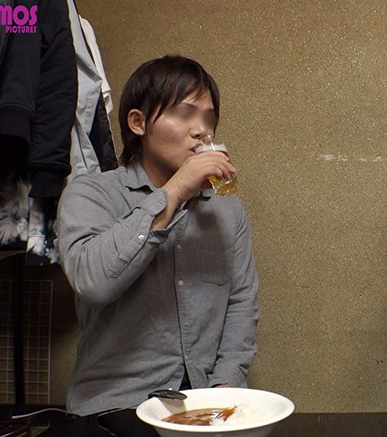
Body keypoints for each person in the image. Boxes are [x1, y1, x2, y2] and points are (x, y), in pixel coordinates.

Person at [58, 55, 259, 416]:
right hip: (116, 406)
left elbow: (241, 300)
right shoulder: (91, 194)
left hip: (204, 404)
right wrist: (175, 190)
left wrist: (225, 385)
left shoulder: (226, 209)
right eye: (184, 114)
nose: (201, 130)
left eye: (208, 118)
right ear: (138, 122)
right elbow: (93, 283)